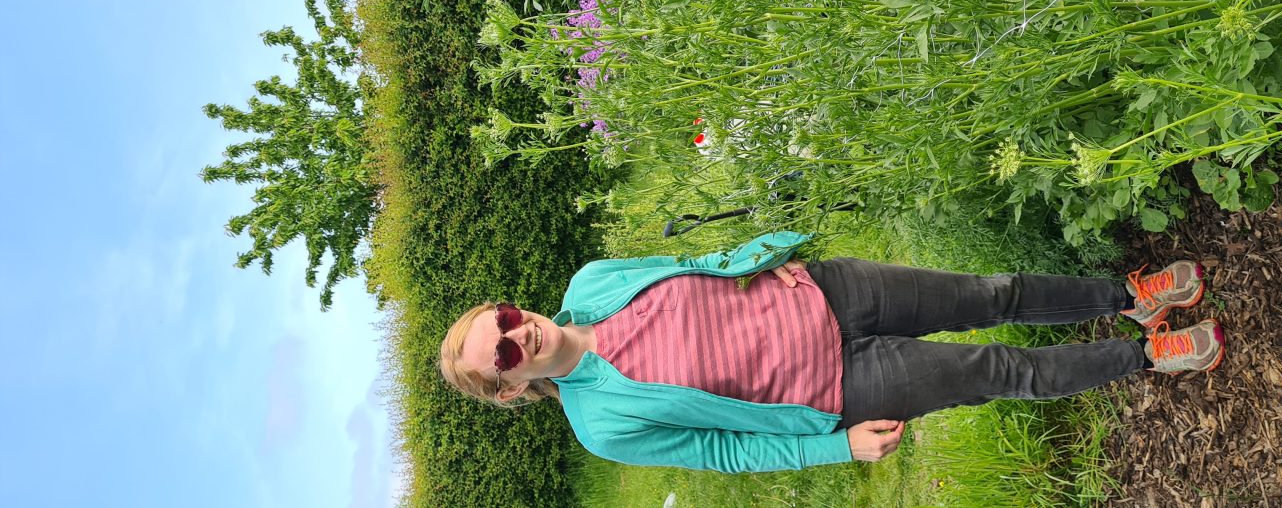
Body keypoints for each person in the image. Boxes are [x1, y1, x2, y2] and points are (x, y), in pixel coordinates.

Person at [438, 231, 1223, 473]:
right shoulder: (601, 425)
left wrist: (759, 259)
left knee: (991, 293)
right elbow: (723, 452)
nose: (517, 333)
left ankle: (1129, 297)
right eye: (501, 355)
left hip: (830, 292)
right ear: (509, 388)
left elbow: (693, 267)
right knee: (997, 370)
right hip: (838, 387)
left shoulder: (591, 281)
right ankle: (1149, 356)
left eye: (502, 317)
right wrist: (835, 448)